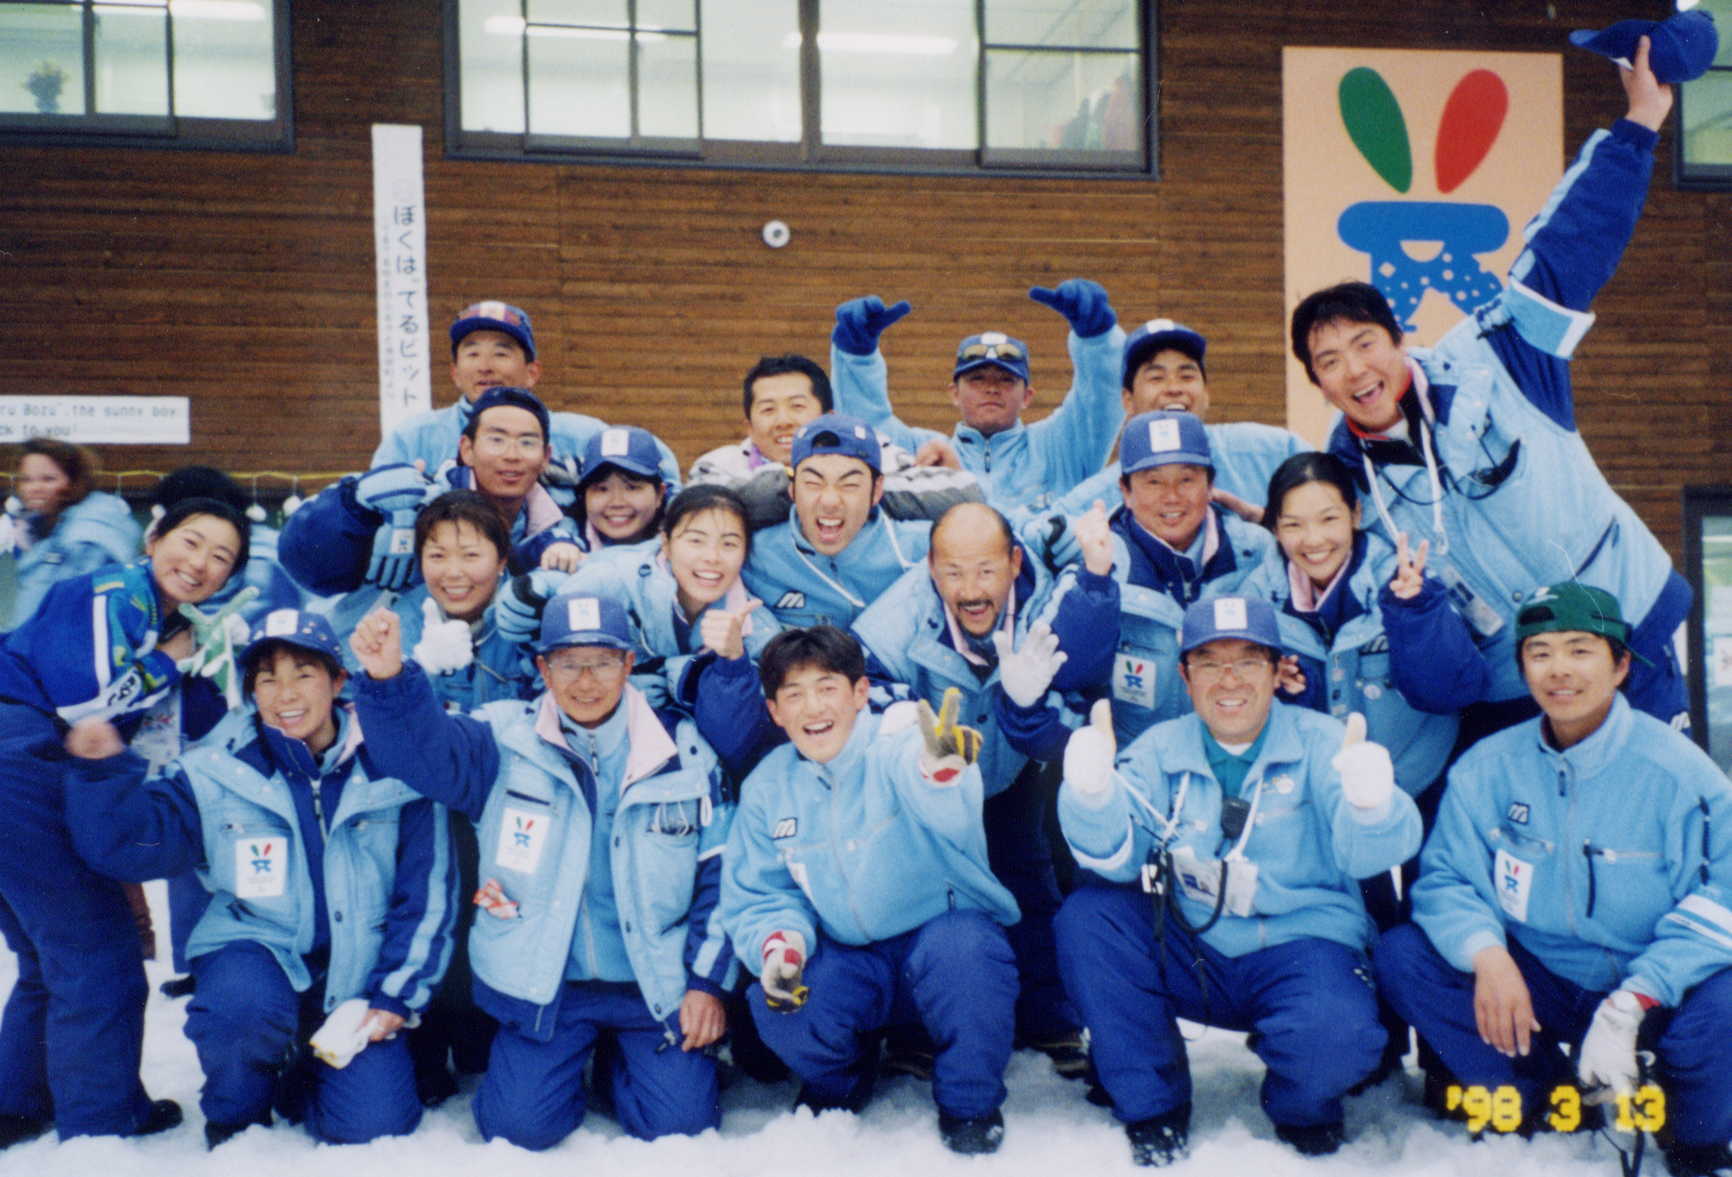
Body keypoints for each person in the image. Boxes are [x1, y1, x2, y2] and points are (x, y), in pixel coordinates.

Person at [1289, 38, 1687, 729]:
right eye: (1329, 361)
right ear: (1318, 383)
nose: (1354, 370)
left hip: (1628, 629)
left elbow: (1567, 248)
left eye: (1364, 344)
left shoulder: (1498, 354)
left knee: (1663, 793)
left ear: (1398, 339)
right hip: (1514, 689)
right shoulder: (1344, 482)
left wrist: (1639, 126)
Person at [348, 590, 736, 1149]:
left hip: (654, 985)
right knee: (518, 1128)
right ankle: (565, 1066)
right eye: (568, 663)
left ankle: (620, 1064)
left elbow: (720, 875)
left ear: (629, 663)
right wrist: (388, 679)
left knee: (680, 1125)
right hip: (549, 988)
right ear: (543, 669)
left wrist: (705, 984)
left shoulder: (684, 751)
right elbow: (420, 752)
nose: (586, 681)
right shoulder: (503, 740)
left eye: (603, 661)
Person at [59, 609, 456, 1147]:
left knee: (372, 1125)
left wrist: (393, 997)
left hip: (358, 975)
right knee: (240, 1009)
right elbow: (133, 847)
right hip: (256, 953)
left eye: (303, 674)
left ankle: (302, 1071)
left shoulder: (395, 768)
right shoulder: (216, 770)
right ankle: (236, 1116)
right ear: (251, 691)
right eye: (267, 678)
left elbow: (426, 897)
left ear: (339, 681)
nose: (284, 693)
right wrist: (101, 773)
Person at [1375, 582, 1732, 1176]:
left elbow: (1724, 898)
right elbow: (1446, 881)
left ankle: (1692, 1131)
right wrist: (1488, 956)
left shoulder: (1679, 773)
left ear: (1620, 665)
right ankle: (1544, 1097)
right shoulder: (1487, 766)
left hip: (1651, 983)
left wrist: (1636, 999)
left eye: (1579, 650)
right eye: (1540, 653)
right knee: (1405, 955)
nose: (1559, 670)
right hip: (1540, 978)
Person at [1055, 595, 1420, 1164]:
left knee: (1336, 1034)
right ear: (1185, 676)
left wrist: (1372, 804)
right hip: (1194, 946)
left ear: (1276, 671)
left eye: (1248, 661)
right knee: (1089, 919)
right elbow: (1116, 858)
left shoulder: (1325, 742)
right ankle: (1153, 1104)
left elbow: (1369, 854)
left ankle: (1301, 1106)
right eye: (1210, 662)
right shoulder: (1158, 749)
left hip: (1302, 950)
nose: (1229, 680)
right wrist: (1091, 795)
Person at [0, 496, 252, 1146]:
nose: (199, 563)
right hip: (20, 758)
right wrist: (168, 660)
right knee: (99, 956)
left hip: (23, 761)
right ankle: (101, 1124)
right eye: (190, 541)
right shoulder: (110, 591)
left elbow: (172, 725)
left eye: (221, 557)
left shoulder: (166, 623)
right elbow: (84, 704)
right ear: (153, 537)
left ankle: (19, 1101)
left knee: (45, 954)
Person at [717, 625, 1020, 1155]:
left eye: (827, 687)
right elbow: (762, 893)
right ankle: (841, 1079)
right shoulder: (768, 786)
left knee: (968, 953)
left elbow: (937, 788)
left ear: (859, 692)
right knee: (780, 1001)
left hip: (938, 945)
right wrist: (780, 944)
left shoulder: (898, 742)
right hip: (853, 960)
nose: (814, 707)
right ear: (775, 711)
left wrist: (939, 771)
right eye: (794, 694)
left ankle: (969, 1103)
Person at [850, 501, 1119, 1073]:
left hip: (1014, 764)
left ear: (1014, 561)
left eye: (986, 570)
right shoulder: (893, 619)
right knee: (924, 891)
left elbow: (1079, 694)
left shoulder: (1050, 605)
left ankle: (1051, 1018)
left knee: (1029, 877)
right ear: (930, 568)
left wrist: (1040, 714)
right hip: (929, 776)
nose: (970, 590)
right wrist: (911, 734)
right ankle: (917, 1029)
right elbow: (864, 691)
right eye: (952, 572)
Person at [1021, 410, 1277, 748]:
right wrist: (1095, 584)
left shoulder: (1256, 552)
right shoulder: (1097, 557)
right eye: (1153, 482)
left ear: (1210, 485)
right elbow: (1065, 677)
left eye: (1186, 479)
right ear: (1125, 491)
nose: (1171, 496)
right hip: (1138, 765)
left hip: (1239, 757)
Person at [280, 387, 579, 624]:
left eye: (527, 442)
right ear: (467, 449)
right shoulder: (414, 506)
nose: (512, 455)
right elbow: (308, 565)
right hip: (369, 662)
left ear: (545, 457)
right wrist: (352, 505)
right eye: (497, 440)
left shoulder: (555, 527)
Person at [829, 280, 1126, 511]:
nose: (991, 388)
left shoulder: (1060, 447)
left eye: (1007, 380)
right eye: (977, 379)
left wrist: (1097, 339)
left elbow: (1099, 399)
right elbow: (866, 426)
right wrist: (857, 356)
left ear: (1027, 396)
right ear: (954, 393)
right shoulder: (923, 451)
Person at [372, 299, 680, 486]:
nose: (485, 367)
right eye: (473, 353)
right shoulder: (413, 438)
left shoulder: (580, 434)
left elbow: (660, 469)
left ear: (532, 372)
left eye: (501, 353)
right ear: (455, 373)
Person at [1045, 318, 1309, 519]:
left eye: (1186, 376)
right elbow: (1037, 541)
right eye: (1156, 377)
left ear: (1206, 393)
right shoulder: (1101, 496)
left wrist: (1268, 524)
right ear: (1128, 401)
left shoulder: (1274, 451)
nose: (1173, 388)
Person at [741, 412, 930, 632]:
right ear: (792, 489)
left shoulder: (922, 551)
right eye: (812, 483)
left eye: (849, 485)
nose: (830, 501)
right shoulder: (755, 556)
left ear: (876, 489)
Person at [3, 438, 139, 630]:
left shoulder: (86, 541)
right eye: (26, 479)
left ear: (73, 482)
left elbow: (57, 617)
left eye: (48, 479)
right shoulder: (42, 527)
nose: (34, 488)